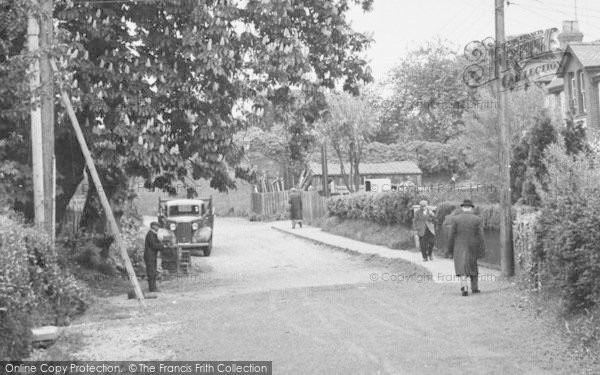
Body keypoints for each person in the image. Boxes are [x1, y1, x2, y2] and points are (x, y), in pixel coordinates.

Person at [447, 199, 486, 296]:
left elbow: (451, 235)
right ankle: (475, 288)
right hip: (473, 246)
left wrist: (449, 249)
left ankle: (464, 286)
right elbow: (481, 236)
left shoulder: (455, 219)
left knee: (461, 266)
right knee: (473, 265)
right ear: (471, 208)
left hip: (459, 246)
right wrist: (481, 249)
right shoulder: (477, 219)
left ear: (462, 208)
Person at [145, 221, 164, 292]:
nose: (158, 228)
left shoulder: (153, 234)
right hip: (149, 256)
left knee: (153, 272)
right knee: (151, 272)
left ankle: (153, 288)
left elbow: (157, 243)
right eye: (157, 226)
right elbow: (154, 245)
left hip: (152, 256)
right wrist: (162, 246)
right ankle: (152, 288)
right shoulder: (150, 234)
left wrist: (162, 245)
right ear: (153, 226)